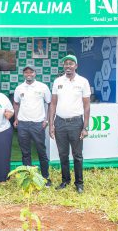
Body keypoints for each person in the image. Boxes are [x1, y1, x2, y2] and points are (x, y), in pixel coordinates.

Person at [49, 54, 91, 194]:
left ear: (76, 66)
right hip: (60, 122)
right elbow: (53, 104)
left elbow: (86, 107)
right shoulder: (57, 82)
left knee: (77, 155)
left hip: (76, 123)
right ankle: (65, 180)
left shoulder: (83, 82)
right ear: (63, 66)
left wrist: (85, 127)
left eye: (71, 63)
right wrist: (51, 124)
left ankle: (79, 183)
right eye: (66, 63)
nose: (68, 65)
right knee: (63, 154)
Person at [13, 65, 52, 187]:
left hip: (38, 124)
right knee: (25, 152)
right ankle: (28, 178)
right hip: (23, 124)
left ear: (35, 73)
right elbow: (16, 103)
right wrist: (16, 118)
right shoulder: (19, 88)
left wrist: (47, 120)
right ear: (23, 74)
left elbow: (50, 104)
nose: (28, 74)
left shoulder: (43, 87)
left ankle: (45, 178)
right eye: (26, 72)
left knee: (41, 151)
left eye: (31, 72)